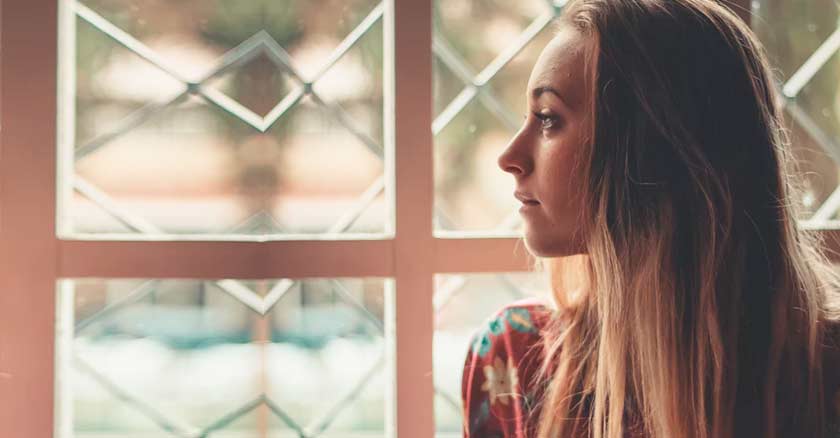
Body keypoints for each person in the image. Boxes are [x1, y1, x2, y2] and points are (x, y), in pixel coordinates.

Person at [462, 0, 840, 437]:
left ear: (652, 152)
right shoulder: (513, 364)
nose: (509, 157)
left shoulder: (825, 376)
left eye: (548, 119)